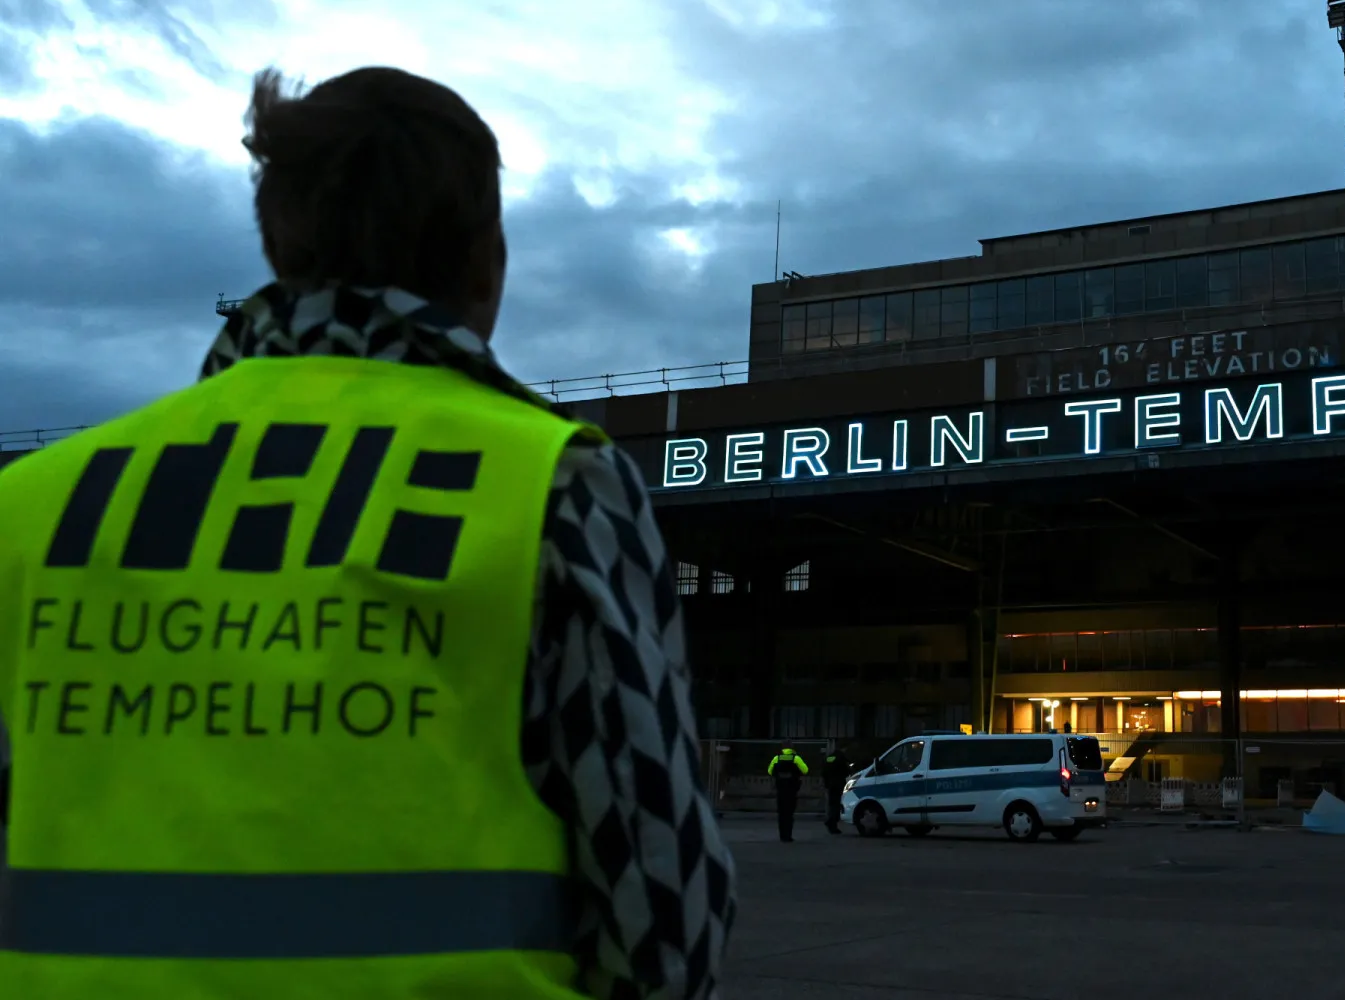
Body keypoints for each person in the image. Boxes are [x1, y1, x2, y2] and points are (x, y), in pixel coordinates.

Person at [0, 66, 735, 999]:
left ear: (279, 244)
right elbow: (666, 906)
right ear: (487, 259)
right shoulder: (556, 488)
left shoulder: (36, 505)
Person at [767, 741, 810, 842]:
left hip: (780, 790)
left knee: (781, 814)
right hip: (792, 790)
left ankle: (782, 835)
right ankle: (788, 836)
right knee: (789, 814)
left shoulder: (776, 758)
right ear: (792, 747)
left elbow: (769, 771)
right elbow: (805, 770)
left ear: (782, 748)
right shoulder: (796, 758)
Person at [820, 745, 851, 834]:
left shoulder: (829, 758)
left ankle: (832, 824)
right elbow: (847, 770)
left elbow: (823, 772)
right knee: (837, 805)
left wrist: (826, 783)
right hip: (839, 784)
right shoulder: (841, 758)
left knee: (832, 805)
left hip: (830, 785)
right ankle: (831, 822)